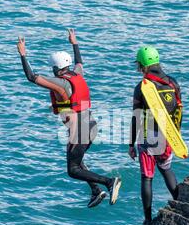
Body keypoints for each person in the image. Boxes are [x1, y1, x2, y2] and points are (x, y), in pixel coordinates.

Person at [17, 29, 121, 208]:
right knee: (78, 162)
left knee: (73, 170)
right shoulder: (76, 74)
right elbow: (79, 61)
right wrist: (74, 43)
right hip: (90, 125)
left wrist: (23, 55)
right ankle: (96, 191)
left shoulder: (60, 82)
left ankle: (109, 182)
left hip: (80, 130)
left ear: (56, 68)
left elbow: (31, 77)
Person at [129, 46, 183, 224]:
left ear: (142, 65)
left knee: (147, 177)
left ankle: (147, 220)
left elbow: (136, 117)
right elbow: (178, 110)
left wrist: (131, 144)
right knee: (166, 169)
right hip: (169, 137)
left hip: (149, 138)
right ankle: (181, 204)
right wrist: (176, 136)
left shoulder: (142, 87)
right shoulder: (173, 83)